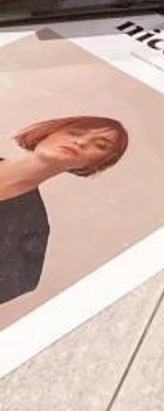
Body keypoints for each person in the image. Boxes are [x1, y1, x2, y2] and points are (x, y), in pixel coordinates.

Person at [0, 116, 129, 305]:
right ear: (46, 133)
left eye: (100, 145)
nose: (81, 142)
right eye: (74, 133)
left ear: (94, 164)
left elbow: (13, 284)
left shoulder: (32, 228)